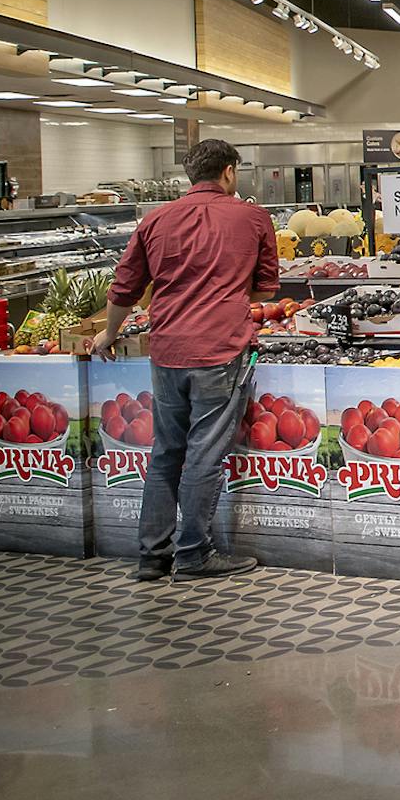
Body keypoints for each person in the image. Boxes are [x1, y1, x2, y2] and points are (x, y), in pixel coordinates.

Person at [90, 139, 279, 582]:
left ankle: (152, 557)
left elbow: (124, 289)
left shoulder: (155, 219)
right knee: (204, 455)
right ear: (229, 172)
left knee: (166, 452)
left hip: (167, 350)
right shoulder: (252, 217)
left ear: (190, 175)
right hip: (219, 349)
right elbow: (266, 291)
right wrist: (226, 290)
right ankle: (194, 554)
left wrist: (110, 333)